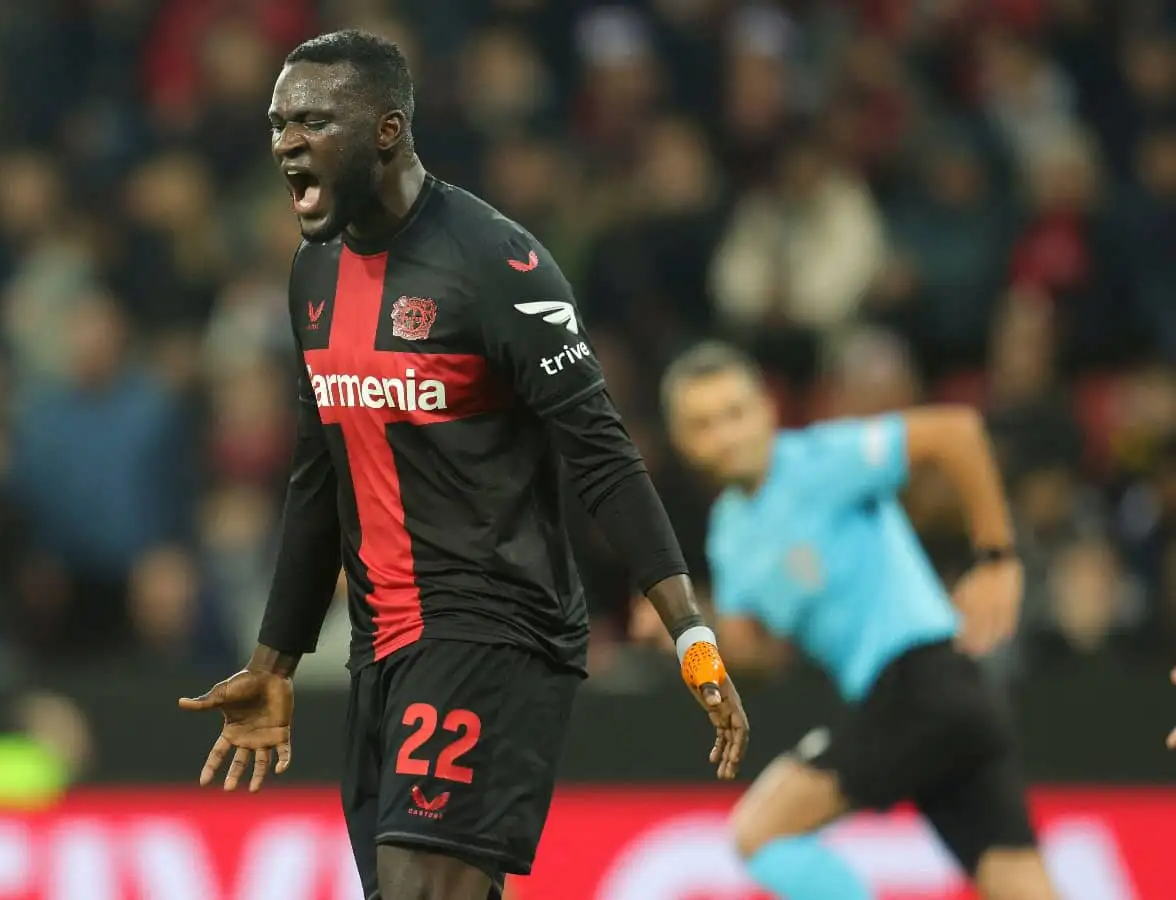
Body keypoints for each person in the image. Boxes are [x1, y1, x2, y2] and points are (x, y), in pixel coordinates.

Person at [178, 30, 749, 900]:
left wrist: (691, 634)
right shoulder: (313, 274)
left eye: (314, 121)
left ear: (387, 130)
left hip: (495, 627)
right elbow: (317, 476)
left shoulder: (497, 264)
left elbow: (602, 455)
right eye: (278, 122)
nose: (288, 141)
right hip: (384, 646)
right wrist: (276, 660)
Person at [661, 341, 1056, 900]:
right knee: (1024, 888)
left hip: (925, 683)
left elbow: (955, 432)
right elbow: (754, 662)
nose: (726, 435)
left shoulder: (819, 460)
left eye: (736, 413)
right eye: (704, 424)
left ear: (768, 410)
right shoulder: (728, 534)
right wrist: (681, 638)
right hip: (938, 705)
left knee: (760, 833)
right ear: (681, 440)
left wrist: (997, 557)